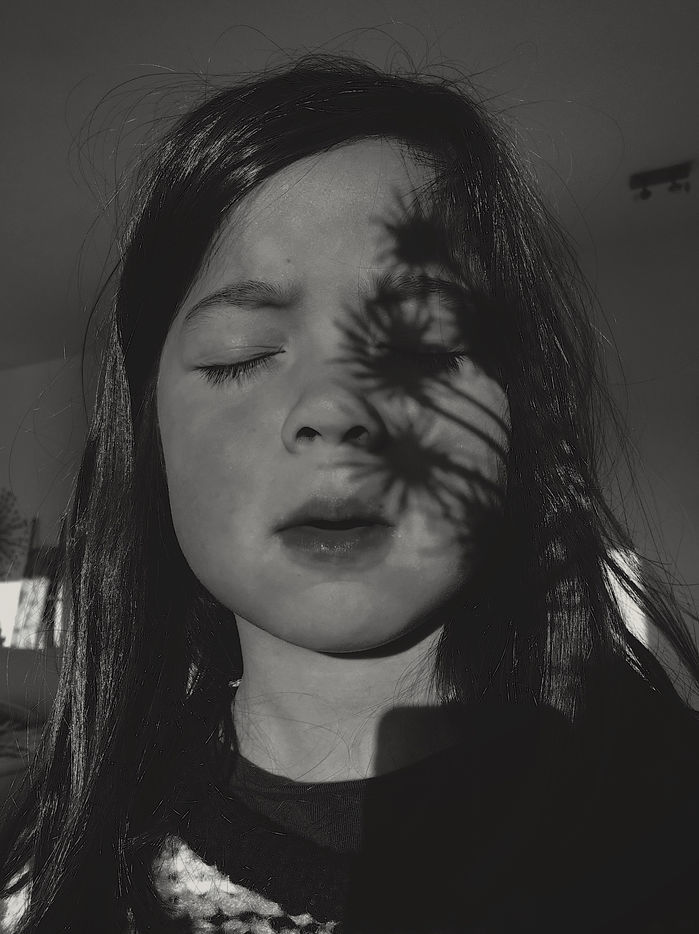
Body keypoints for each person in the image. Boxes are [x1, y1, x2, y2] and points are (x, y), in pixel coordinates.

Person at [0, 53, 698, 934]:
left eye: (421, 347)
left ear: (520, 416)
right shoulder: (42, 867)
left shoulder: (663, 837)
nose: (334, 409)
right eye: (243, 356)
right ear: (150, 437)